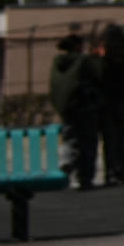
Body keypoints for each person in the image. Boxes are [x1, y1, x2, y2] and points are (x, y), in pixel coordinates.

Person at [48, 32, 103, 189]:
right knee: (88, 142)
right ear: (78, 46)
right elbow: (98, 75)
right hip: (84, 106)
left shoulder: (58, 63)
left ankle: (67, 161)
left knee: (70, 138)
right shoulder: (84, 61)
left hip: (66, 107)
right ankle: (84, 177)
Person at [96, 23, 124, 186]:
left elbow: (99, 75)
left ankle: (111, 172)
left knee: (109, 139)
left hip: (108, 100)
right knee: (123, 137)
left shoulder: (105, 57)